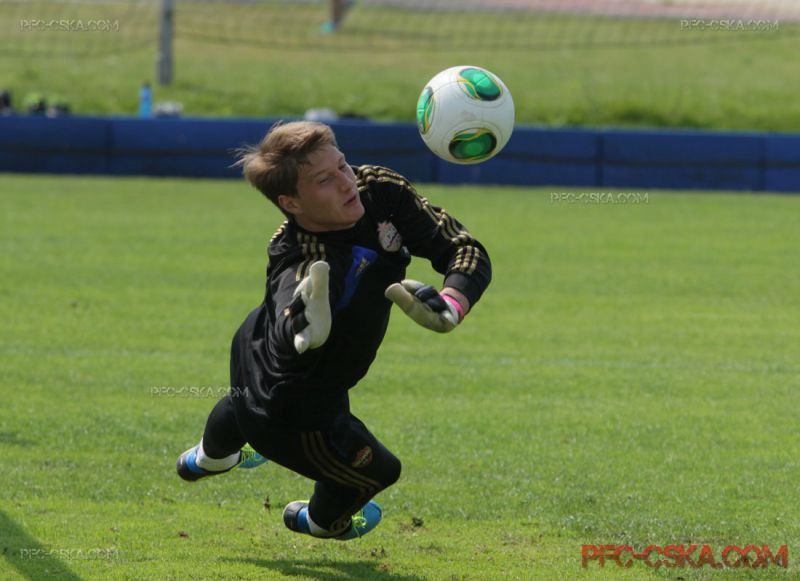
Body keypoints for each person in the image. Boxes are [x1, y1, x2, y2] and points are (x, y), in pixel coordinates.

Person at [176, 120, 492, 540]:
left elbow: (462, 248)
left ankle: (207, 459)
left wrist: (452, 303)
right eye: (325, 180)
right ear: (291, 202)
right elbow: (290, 320)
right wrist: (305, 327)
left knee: (238, 401)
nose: (347, 182)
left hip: (250, 344)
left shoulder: (377, 189)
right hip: (290, 408)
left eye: (342, 164)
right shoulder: (298, 256)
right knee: (379, 471)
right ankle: (317, 522)